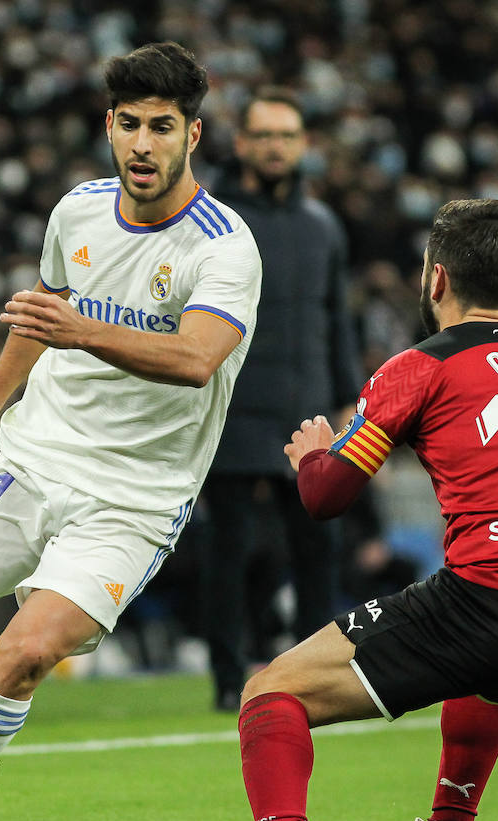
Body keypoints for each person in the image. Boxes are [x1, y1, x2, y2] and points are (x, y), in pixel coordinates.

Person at [167, 199, 498, 821]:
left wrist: (311, 455)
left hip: (486, 606)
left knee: (271, 691)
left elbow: (325, 499)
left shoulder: (418, 366)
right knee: (488, 668)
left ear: (437, 280)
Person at [0, 41, 261, 791]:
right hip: (31, 460)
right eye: (131, 123)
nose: (144, 144)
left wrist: (83, 331)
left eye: (164, 126)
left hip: (132, 498)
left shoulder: (224, 247)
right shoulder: (77, 211)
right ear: (109, 125)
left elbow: (195, 358)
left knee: (23, 655)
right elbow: (39, 316)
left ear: (193, 135)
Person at [198, 87, 361, 711]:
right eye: (263, 135)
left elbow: (335, 318)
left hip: (309, 408)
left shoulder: (324, 227)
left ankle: (311, 675)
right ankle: (224, 678)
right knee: (228, 551)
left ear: (303, 146)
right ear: (241, 144)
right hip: (231, 409)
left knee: (317, 549)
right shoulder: (209, 220)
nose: (275, 147)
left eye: (286, 136)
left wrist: (348, 396)